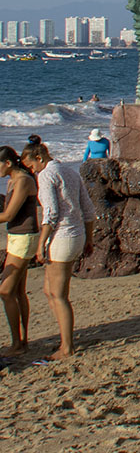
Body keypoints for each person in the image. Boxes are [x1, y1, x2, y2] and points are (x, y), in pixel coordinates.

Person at [22, 141, 95, 360]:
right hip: (76, 235)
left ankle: (67, 346)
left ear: (39, 158)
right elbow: (88, 209)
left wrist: (41, 244)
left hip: (61, 238)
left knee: (59, 295)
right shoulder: (69, 171)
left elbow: (51, 213)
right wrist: (89, 239)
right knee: (49, 290)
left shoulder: (46, 175)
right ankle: (64, 336)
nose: (31, 171)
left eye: (31, 166)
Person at [0, 146, 38, 355]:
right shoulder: (14, 179)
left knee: (5, 291)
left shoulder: (23, 180)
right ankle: (22, 341)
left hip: (24, 238)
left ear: (7, 163)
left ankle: (17, 343)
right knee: (18, 291)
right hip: (18, 237)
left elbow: (8, 215)